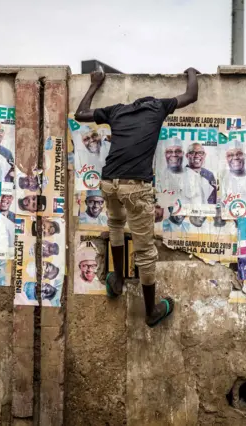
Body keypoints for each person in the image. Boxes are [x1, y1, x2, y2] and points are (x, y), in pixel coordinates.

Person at [74, 67, 200, 326]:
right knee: (144, 250)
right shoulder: (157, 108)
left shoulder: (117, 110)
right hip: (136, 186)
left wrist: (95, 84)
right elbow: (190, 96)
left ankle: (117, 279)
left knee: (116, 226)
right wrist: (190, 72)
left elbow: (80, 114)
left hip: (109, 183)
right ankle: (151, 311)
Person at [156, 137, 213, 208]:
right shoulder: (158, 178)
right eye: (169, 151)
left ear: (183, 154)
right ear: (165, 154)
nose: (174, 154)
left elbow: (201, 204)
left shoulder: (194, 176)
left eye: (178, 151)